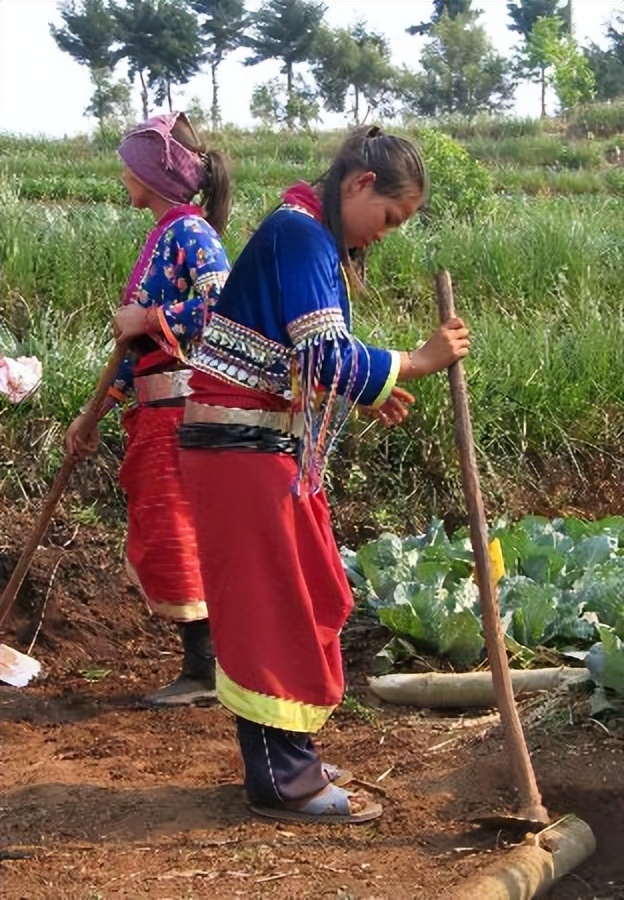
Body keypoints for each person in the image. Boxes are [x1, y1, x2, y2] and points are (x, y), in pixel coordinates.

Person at [178, 126, 470, 823]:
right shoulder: (301, 234)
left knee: (302, 593)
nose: (386, 235)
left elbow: (300, 360)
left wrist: (368, 392)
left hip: (251, 447)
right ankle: (282, 778)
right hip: (238, 449)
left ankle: (290, 753)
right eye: (390, 218)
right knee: (272, 607)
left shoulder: (303, 232)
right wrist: (417, 360)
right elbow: (329, 359)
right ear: (360, 184)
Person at [65, 112, 231, 707]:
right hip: (155, 411)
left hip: (181, 415)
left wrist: (148, 319)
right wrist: (92, 417)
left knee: (174, 531)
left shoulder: (191, 234)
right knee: (167, 530)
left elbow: (222, 309)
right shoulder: (166, 235)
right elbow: (134, 358)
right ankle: (206, 663)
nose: (121, 176)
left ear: (153, 175)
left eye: (128, 166)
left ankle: (207, 667)